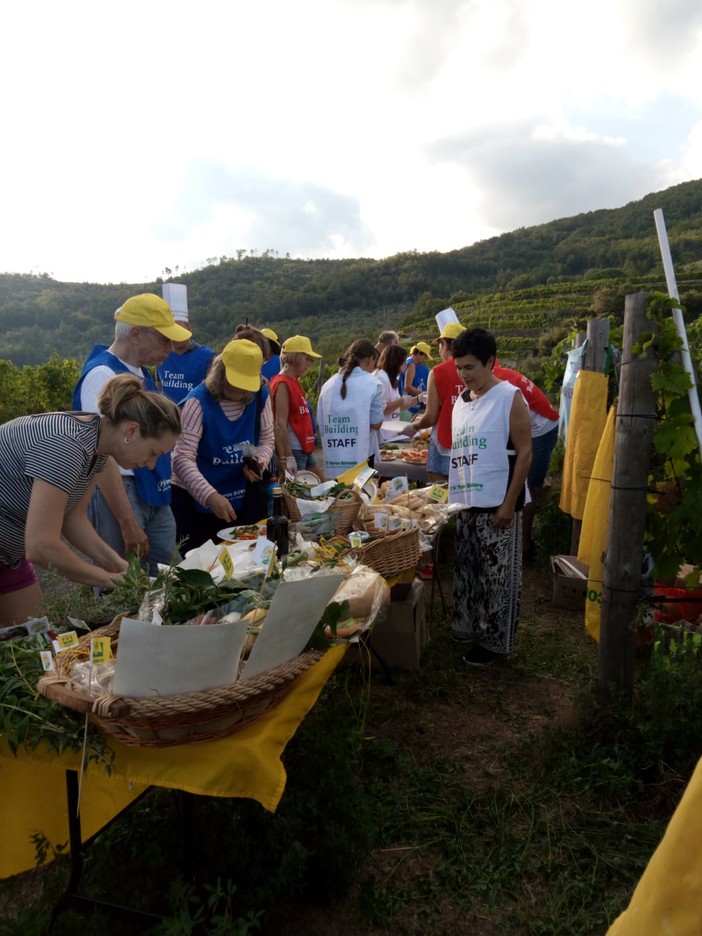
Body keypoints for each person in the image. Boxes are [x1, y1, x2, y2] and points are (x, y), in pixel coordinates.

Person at [0, 374, 181, 627]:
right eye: (153, 453)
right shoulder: (67, 445)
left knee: (34, 642)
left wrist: (121, 568)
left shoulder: (97, 447)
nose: (151, 464)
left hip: (8, 556)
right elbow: (41, 545)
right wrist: (108, 579)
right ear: (132, 430)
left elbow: (72, 520)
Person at [73, 293, 191, 573]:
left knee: (167, 574)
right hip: (122, 492)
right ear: (136, 334)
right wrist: (127, 521)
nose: (171, 348)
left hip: (153, 488)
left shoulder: (141, 374)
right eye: (164, 339)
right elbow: (102, 454)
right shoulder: (102, 375)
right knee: (125, 579)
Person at [449, 327, 532, 667]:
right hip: (469, 503)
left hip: (499, 503)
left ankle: (498, 641)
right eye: (459, 368)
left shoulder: (509, 397)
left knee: (498, 576)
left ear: (490, 362)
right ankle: (469, 626)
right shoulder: (461, 401)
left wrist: (509, 504)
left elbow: (525, 453)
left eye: (470, 367)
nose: (463, 375)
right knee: (469, 570)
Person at [171, 339, 275, 550]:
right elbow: (182, 459)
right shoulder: (197, 402)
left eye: (247, 385)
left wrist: (257, 462)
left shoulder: (260, 397)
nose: (242, 391)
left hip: (242, 498)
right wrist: (210, 497)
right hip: (197, 503)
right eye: (236, 382)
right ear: (220, 371)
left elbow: (265, 439)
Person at [493, 362, 560, 560]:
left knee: (528, 486)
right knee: (519, 479)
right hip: (536, 426)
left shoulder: (500, 383)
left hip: (542, 431)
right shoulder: (500, 373)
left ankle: (524, 547)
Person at [316, 339, 384, 478]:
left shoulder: (327, 385)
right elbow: (376, 423)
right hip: (362, 457)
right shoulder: (373, 384)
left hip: (334, 458)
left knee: (337, 496)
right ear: (371, 359)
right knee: (361, 497)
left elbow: (321, 426)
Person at [410, 323, 466, 481]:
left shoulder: (438, 372)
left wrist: (414, 427)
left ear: (445, 344)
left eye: (440, 345)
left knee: (438, 494)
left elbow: (431, 416)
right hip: (470, 444)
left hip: (443, 441)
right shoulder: (481, 369)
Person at [270, 335, 322, 480]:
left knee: (322, 486)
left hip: (304, 448)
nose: (309, 364)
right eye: (307, 359)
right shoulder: (282, 383)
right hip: (294, 450)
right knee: (301, 496)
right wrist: (288, 456)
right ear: (295, 357)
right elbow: (280, 423)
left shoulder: (294, 382)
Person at [156, 283, 215, 403]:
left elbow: (212, 392)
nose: (175, 336)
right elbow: (159, 384)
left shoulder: (207, 357)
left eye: (179, 329)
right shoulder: (160, 355)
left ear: (189, 328)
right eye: (171, 331)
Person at [374, 344, 414, 445]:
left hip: (391, 435)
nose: (405, 364)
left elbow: (398, 407)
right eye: (403, 361)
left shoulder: (391, 378)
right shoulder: (381, 378)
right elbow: (383, 410)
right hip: (383, 438)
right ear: (395, 361)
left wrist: (418, 399)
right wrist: (402, 400)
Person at [400, 341, 433, 414]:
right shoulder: (411, 364)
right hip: (410, 407)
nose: (426, 359)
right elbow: (407, 386)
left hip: (416, 405)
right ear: (419, 353)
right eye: (425, 356)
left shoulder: (423, 368)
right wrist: (425, 394)